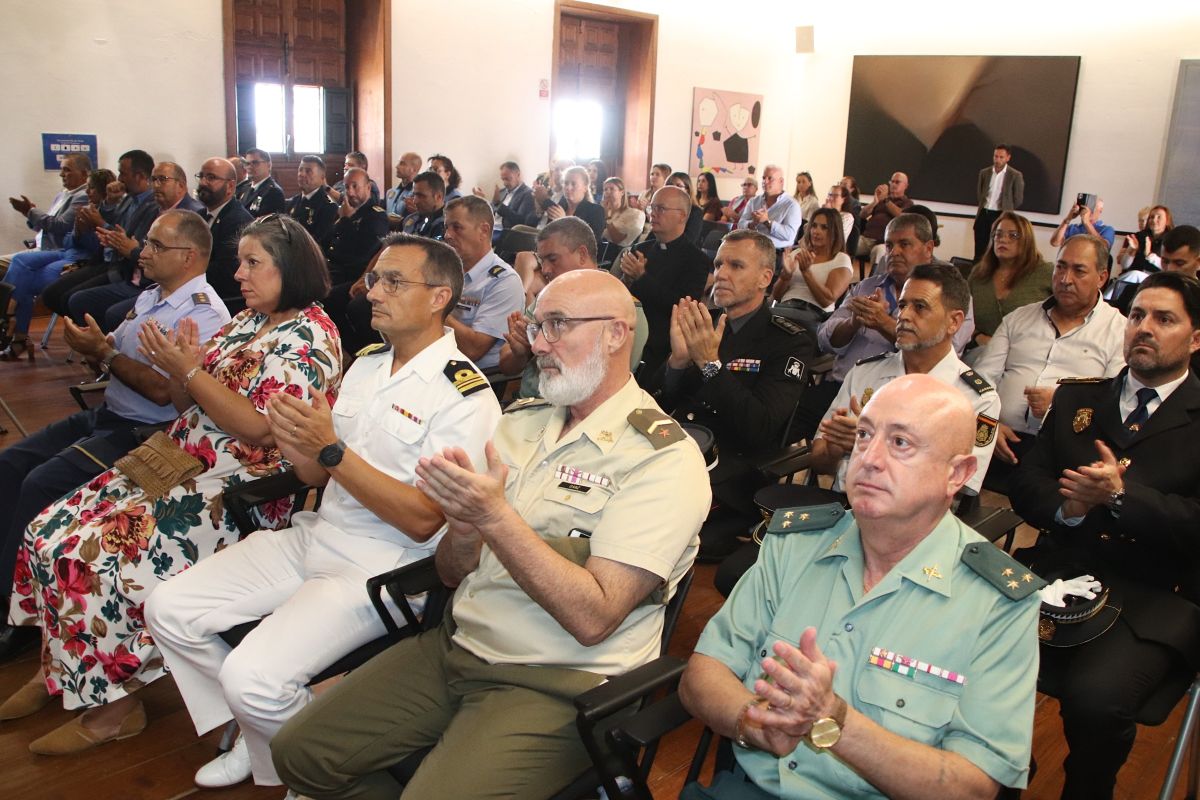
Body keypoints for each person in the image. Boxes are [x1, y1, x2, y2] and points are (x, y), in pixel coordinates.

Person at [269, 269, 710, 799]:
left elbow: (594, 618)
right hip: (460, 644)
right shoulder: (520, 422)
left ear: (616, 334)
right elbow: (454, 573)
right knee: (297, 754)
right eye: (537, 323)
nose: (538, 343)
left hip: (557, 680)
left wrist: (495, 517)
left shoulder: (662, 459)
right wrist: (462, 528)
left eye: (557, 325)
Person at [146, 234, 502, 789]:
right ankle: (261, 733)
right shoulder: (366, 365)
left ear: (439, 298)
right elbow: (316, 476)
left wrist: (331, 449)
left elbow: (423, 520)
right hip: (319, 534)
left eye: (393, 282)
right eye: (375, 278)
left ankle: (297, 765)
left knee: (253, 677)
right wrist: (297, 439)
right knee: (168, 608)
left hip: (382, 564)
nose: (373, 292)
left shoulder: (465, 396)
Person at [0, 213, 342, 755]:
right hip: (182, 454)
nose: (240, 274)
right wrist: (182, 370)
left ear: (291, 269)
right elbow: (190, 403)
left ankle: (115, 708)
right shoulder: (249, 321)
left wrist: (189, 372)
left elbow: (258, 428)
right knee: (49, 528)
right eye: (241, 260)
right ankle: (63, 669)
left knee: (92, 554)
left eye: (254, 263)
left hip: (238, 483)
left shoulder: (311, 336)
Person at [679, 373, 1040, 799]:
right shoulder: (793, 545)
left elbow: (973, 787)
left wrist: (833, 720)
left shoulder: (997, 602)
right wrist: (753, 724)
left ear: (956, 473)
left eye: (901, 443)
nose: (869, 458)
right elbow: (702, 674)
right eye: (865, 435)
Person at [0, 209, 231, 661]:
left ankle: (19, 616)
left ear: (188, 256)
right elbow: (116, 355)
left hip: (144, 433)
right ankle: (8, 583)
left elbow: (167, 393)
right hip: (110, 414)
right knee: (9, 464)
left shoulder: (202, 316)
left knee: (40, 483)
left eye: (155, 246)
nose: (142, 252)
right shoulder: (151, 296)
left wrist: (102, 352)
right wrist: (95, 347)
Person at [1010, 270, 1200, 800]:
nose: (1145, 328)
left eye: (1165, 319)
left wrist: (1122, 498)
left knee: (1095, 699)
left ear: (1196, 338)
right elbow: (1027, 482)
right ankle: (1003, 770)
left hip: (1155, 596)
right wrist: (1067, 507)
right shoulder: (1077, 400)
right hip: (1059, 572)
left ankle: (1089, 791)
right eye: (1138, 315)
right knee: (964, 650)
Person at [643, 229, 816, 559]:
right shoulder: (703, 322)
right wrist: (677, 363)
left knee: (650, 527)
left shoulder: (788, 341)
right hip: (674, 446)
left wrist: (710, 364)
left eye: (736, 266)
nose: (720, 273)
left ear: (766, 277)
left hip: (728, 470)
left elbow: (760, 427)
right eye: (719, 263)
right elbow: (653, 405)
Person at [810, 262, 998, 499]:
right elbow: (819, 461)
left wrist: (872, 444)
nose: (904, 315)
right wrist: (837, 448)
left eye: (920, 307)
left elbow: (959, 488)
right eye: (902, 305)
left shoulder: (976, 397)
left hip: (914, 524)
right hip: (844, 507)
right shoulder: (865, 373)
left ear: (954, 322)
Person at [798, 214, 974, 441]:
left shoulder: (949, 295)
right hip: (842, 387)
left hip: (898, 402)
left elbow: (946, 346)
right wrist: (854, 322)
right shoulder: (867, 287)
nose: (894, 252)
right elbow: (824, 337)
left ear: (928, 248)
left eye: (904, 244)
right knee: (784, 417)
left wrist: (882, 322)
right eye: (889, 245)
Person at [973, 234, 1126, 486]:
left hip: (1066, 450)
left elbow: (1114, 402)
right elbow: (980, 381)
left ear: (1101, 277)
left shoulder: (1118, 331)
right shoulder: (1019, 319)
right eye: (1061, 267)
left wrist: (1061, 404)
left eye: (1079, 271)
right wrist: (989, 426)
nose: (1066, 279)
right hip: (999, 439)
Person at [499, 217, 649, 398]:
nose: (545, 269)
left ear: (582, 254)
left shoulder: (623, 310)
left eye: (552, 259)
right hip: (527, 406)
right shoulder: (547, 299)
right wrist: (521, 352)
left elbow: (609, 387)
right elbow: (505, 366)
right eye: (541, 260)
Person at [0, 165, 108, 357]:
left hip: (84, 260)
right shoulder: (78, 203)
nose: (88, 191)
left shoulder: (106, 212)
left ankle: (15, 332)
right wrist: (78, 231)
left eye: (91, 188)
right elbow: (67, 239)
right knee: (20, 262)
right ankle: (9, 319)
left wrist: (88, 229)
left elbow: (99, 249)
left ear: (101, 191)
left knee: (24, 280)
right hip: (65, 251)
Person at [619, 186, 712, 375]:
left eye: (660, 208)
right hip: (627, 330)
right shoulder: (640, 249)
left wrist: (642, 277)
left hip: (661, 341)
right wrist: (626, 279)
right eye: (651, 208)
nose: (653, 214)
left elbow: (681, 307)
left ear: (682, 216)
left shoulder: (696, 260)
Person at [442, 195, 523, 372]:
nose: (447, 235)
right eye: (446, 227)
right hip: (437, 364)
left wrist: (435, 308)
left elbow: (473, 349)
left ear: (484, 231)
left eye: (457, 227)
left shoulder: (503, 281)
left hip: (473, 378)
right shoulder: (445, 271)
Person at [966, 211, 1053, 347]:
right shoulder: (979, 275)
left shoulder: (1045, 273)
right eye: (998, 234)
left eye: (1013, 236)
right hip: (982, 351)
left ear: (1026, 240)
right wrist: (978, 336)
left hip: (1031, 352)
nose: (1003, 240)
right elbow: (962, 317)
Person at [773, 207, 853, 337]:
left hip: (814, 314)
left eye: (824, 227)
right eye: (814, 226)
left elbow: (826, 300)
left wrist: (807, 273)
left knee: (766, 321)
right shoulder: (797, 253)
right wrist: (785, 276)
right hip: (784, 307)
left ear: (835, 231)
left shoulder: (841, 259)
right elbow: (776, 296)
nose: (816, 231)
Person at [4, 153, 90, 267]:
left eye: (67, 170)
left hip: (55, 251)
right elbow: (45, 226)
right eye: (61, 170)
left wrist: (31, 211)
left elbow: (60, 226)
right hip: (40, 247)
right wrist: (28, 213)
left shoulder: (83, 196)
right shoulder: (62, 194)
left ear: (83, 174)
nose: (61, 174)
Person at [194, 157, 255, 301]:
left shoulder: (239, 221)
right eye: (201, 176)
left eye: (211, 178)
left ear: (230, 186)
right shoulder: (199, 216)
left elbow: (225, 274)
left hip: (221, 299)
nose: (203, 182)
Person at [972, 144, 1025, 261]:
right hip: (984, 213)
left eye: (1001, 157)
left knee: (995, 250)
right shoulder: (984, 173)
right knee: (979, 249)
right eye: (996, 156)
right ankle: (975, 276)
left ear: (1008, 158)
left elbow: (1018, 199)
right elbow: (980, 193)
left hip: (1000, 215)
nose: (998, 160)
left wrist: (1006, 207)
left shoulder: (1015, 175)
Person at [737, 165, 800, 251]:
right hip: (751, 249)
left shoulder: (792, 205)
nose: (765, 181)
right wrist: (752, 224)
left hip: (776, 251)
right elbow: (740, 224)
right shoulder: (753, 201)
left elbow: (789, 235)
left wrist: (767, 222)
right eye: (763, 178)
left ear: (781, 181)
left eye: (770, 178)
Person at [856, 172, 912, 260]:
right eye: (892, 182)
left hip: (885, 242)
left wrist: (886, 200)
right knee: (846, 246)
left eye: (897, 182)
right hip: (866, 239)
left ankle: (875, 274)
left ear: (906, 185)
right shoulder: (881, 199)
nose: (893, 184)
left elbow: (901, 216)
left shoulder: (907, 202)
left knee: (880, 252)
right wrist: (875, 201)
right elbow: (862, 215)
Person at [546, 165, 606, 245]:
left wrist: (564, 222)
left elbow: (590, 243)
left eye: (573, 184)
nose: (568, 188)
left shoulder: (595, 211)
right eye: (566, 183)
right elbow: (547, 235)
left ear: (585, 187)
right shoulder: (560, 207)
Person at [287, 155, 338, 245]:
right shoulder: (293, 202)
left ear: (322, 178)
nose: (301, 174)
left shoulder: (328, 206)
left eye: (308, 171)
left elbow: (319, 241)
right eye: (300, 170)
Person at [474, 160, 535, 234]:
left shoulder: (528, 194)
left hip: (505, 233)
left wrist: (498, 204)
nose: (505, 183)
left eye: (508, 179)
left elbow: (520, 221)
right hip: (491, 228)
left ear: (518, 175)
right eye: (503, 179)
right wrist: (482, 201)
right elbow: (491, 212)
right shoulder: (502, 192)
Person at [1117, 204, 1173, 275]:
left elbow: (1170, 268)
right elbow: (1124, 266)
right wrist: (1132, 251)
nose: (1154, 220)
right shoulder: (1138, 237)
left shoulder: (1171, 241)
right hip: (1132, 278)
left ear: (1167, 221)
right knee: (1134, 274)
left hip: (1156, 281)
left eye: (1159, 217)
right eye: (1152, 217)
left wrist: (1150, 255)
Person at [1050, 195, 1116, 249]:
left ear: (1100, 210)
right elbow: (1055, 243)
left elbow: (1104, 247)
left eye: (1092, 207)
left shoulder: (1107, 229)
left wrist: (1087, 222)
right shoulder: (1073, 228)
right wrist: (1068, 218)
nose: (1088, 210)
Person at [238, 148, 286, 217]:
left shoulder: (273, 192)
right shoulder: (244, 188)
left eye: (255, 163)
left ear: (269, 165)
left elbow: (268, 224)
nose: (250, 167)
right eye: (247, 163)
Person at [400, 171, 447, 239]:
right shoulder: (410, 219)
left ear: (438, 197)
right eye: (414, 195)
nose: (415, 201)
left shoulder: (447, 226)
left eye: (421, 196)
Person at [600, 176, 644, 247]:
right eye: (605, 189)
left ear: (622, 192)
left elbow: (618, 240)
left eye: (612, 189)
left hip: (618, 252)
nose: (608, 192)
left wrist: (607, 218)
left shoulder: (633, 214)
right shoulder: (599, 211)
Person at [667, 171, 705, 245]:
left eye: (678, 186)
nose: (673, 189)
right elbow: (653, 236)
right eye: (670, 185)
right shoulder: (664, 209)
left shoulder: (695, 212)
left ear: (687, 189)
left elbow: (689, 240)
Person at [384, 151, 423, 222]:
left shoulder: (420, 194)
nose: (397, 166)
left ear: (414, 169)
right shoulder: (391, 192)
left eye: (402, 163)